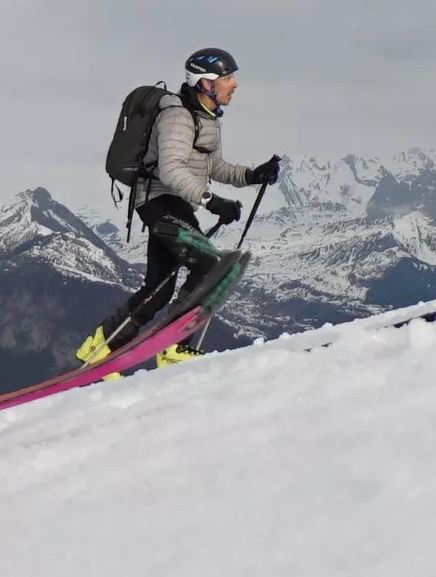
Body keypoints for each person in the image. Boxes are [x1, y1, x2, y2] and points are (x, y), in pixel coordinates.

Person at [76, 49, 283, 363]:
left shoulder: (207, 119)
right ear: (206, 83)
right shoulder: (177, 117)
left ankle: (100, 344)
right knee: (209, 265)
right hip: (160, 200)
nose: (235, 84)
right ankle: (173, 346)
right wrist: (212, 202)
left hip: (176, 203)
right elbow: (171, 170)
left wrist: (253, 175)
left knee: (158, 288)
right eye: (228, 77)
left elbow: (214, 166)